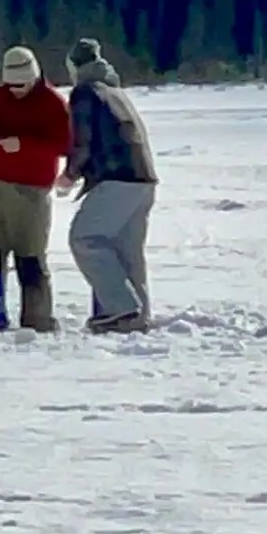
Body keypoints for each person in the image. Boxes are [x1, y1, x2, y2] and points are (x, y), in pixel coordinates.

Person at [57, 37, 158, 334]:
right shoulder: (115, 91)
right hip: (144, 178)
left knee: (85, 239)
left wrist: (70, 175)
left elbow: (83, 141)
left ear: (75, 67)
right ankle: (138, 316)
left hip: (116, 178)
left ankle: (121, 309)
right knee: (127, 250)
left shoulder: (85, 92)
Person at [0, 46, 71, 332]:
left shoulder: (52, 103)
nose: (15, 90)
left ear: (34, 78)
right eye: (10, 85)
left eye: (21, 85)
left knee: (31, 258)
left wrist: (24, 145)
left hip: (32, 192)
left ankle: (37, 320)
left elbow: (64, 144)